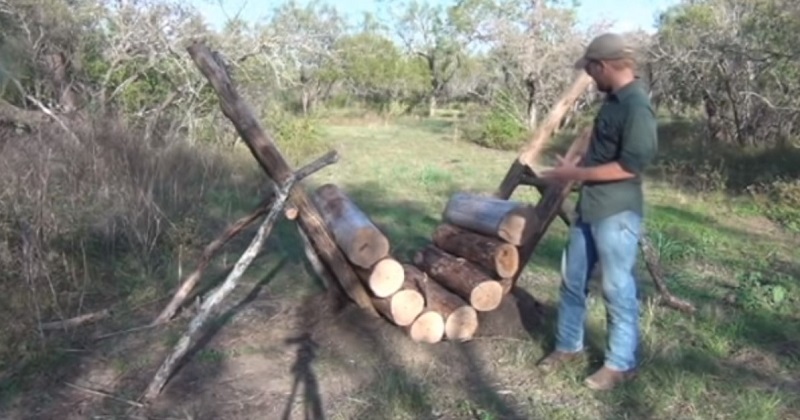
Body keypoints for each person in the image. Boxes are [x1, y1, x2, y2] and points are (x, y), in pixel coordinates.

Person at [536, 32, 658, 391]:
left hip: (616, 212)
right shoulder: (614, 102)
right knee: (572, 281)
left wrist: (575, 174)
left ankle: (620, 364)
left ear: (603, 65)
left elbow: (631, 166)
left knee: (617, 287)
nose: (589, 77)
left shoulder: (637, 106)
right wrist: (578, 164)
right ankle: (568, 347)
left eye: (590, 69)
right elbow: (604, 153)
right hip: (589, 208)